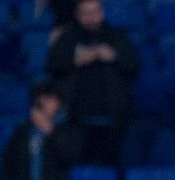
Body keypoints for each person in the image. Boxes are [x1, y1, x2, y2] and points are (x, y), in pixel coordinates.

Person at [46, 0, 140, 167]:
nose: (91, 18)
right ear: (77, 14)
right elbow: (53, 66)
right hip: (75, 122)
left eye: (94, 12)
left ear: (102, 12)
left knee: (108, 174)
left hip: (112, 122)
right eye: (86, 13)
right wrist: (77, 59)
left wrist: (114, 57)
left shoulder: (116, 37)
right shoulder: (68, 38)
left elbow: (133, 66)